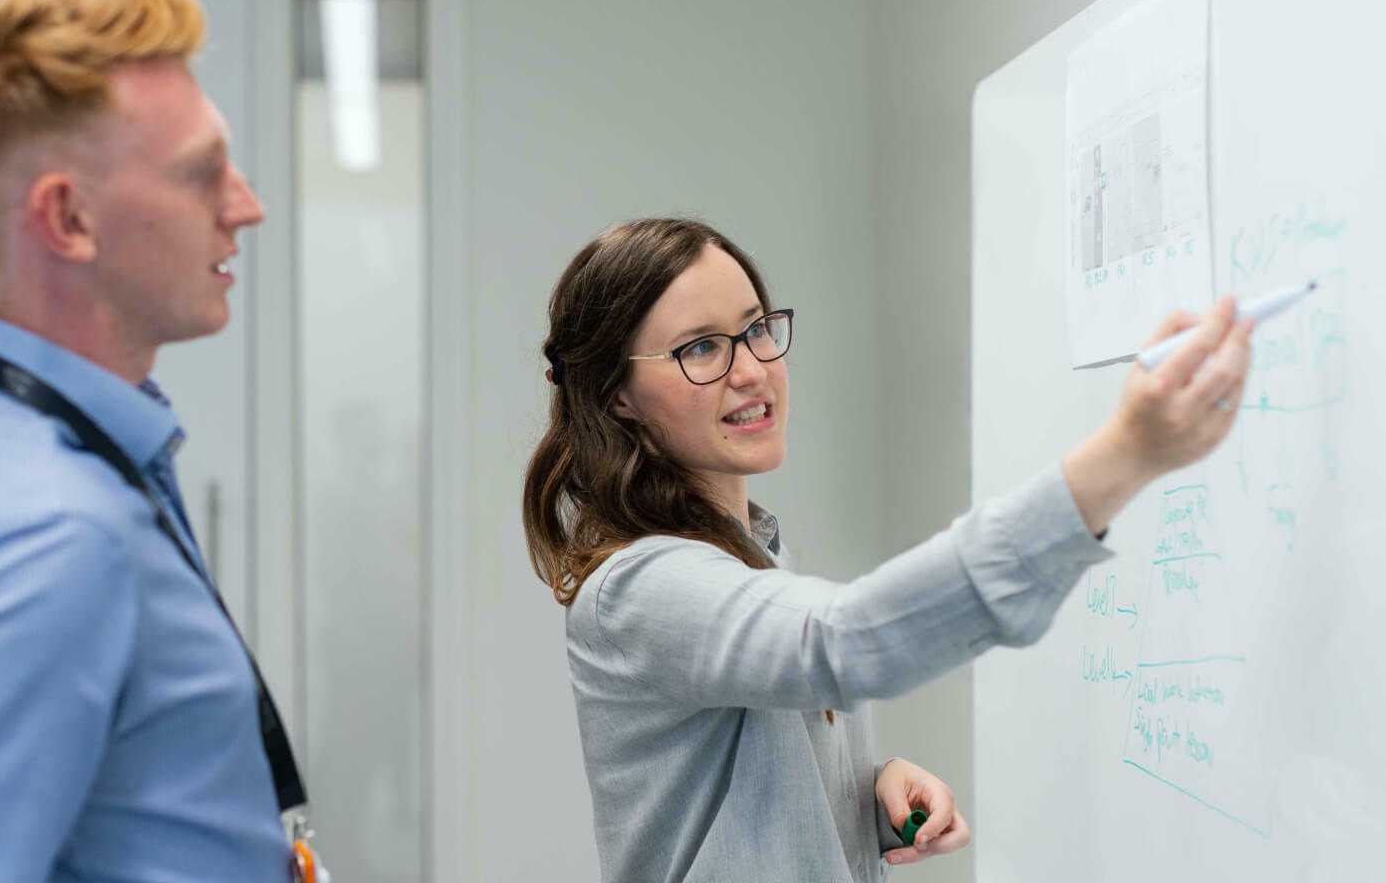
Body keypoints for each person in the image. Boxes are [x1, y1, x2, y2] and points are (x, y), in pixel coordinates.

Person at [522, 217, 1253, 883]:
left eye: (755, 330)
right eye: (702, 348)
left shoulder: (751, 553)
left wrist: (859, 792)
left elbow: (736, 813)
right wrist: (1120, 458)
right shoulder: (639, 587)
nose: (751, 369)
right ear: (618, 396)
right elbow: (838, 643)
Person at [0, 0, 311, 882]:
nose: (246, 205)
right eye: (201, 171)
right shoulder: (36, 534)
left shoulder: (57, 450)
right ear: (67, 217)